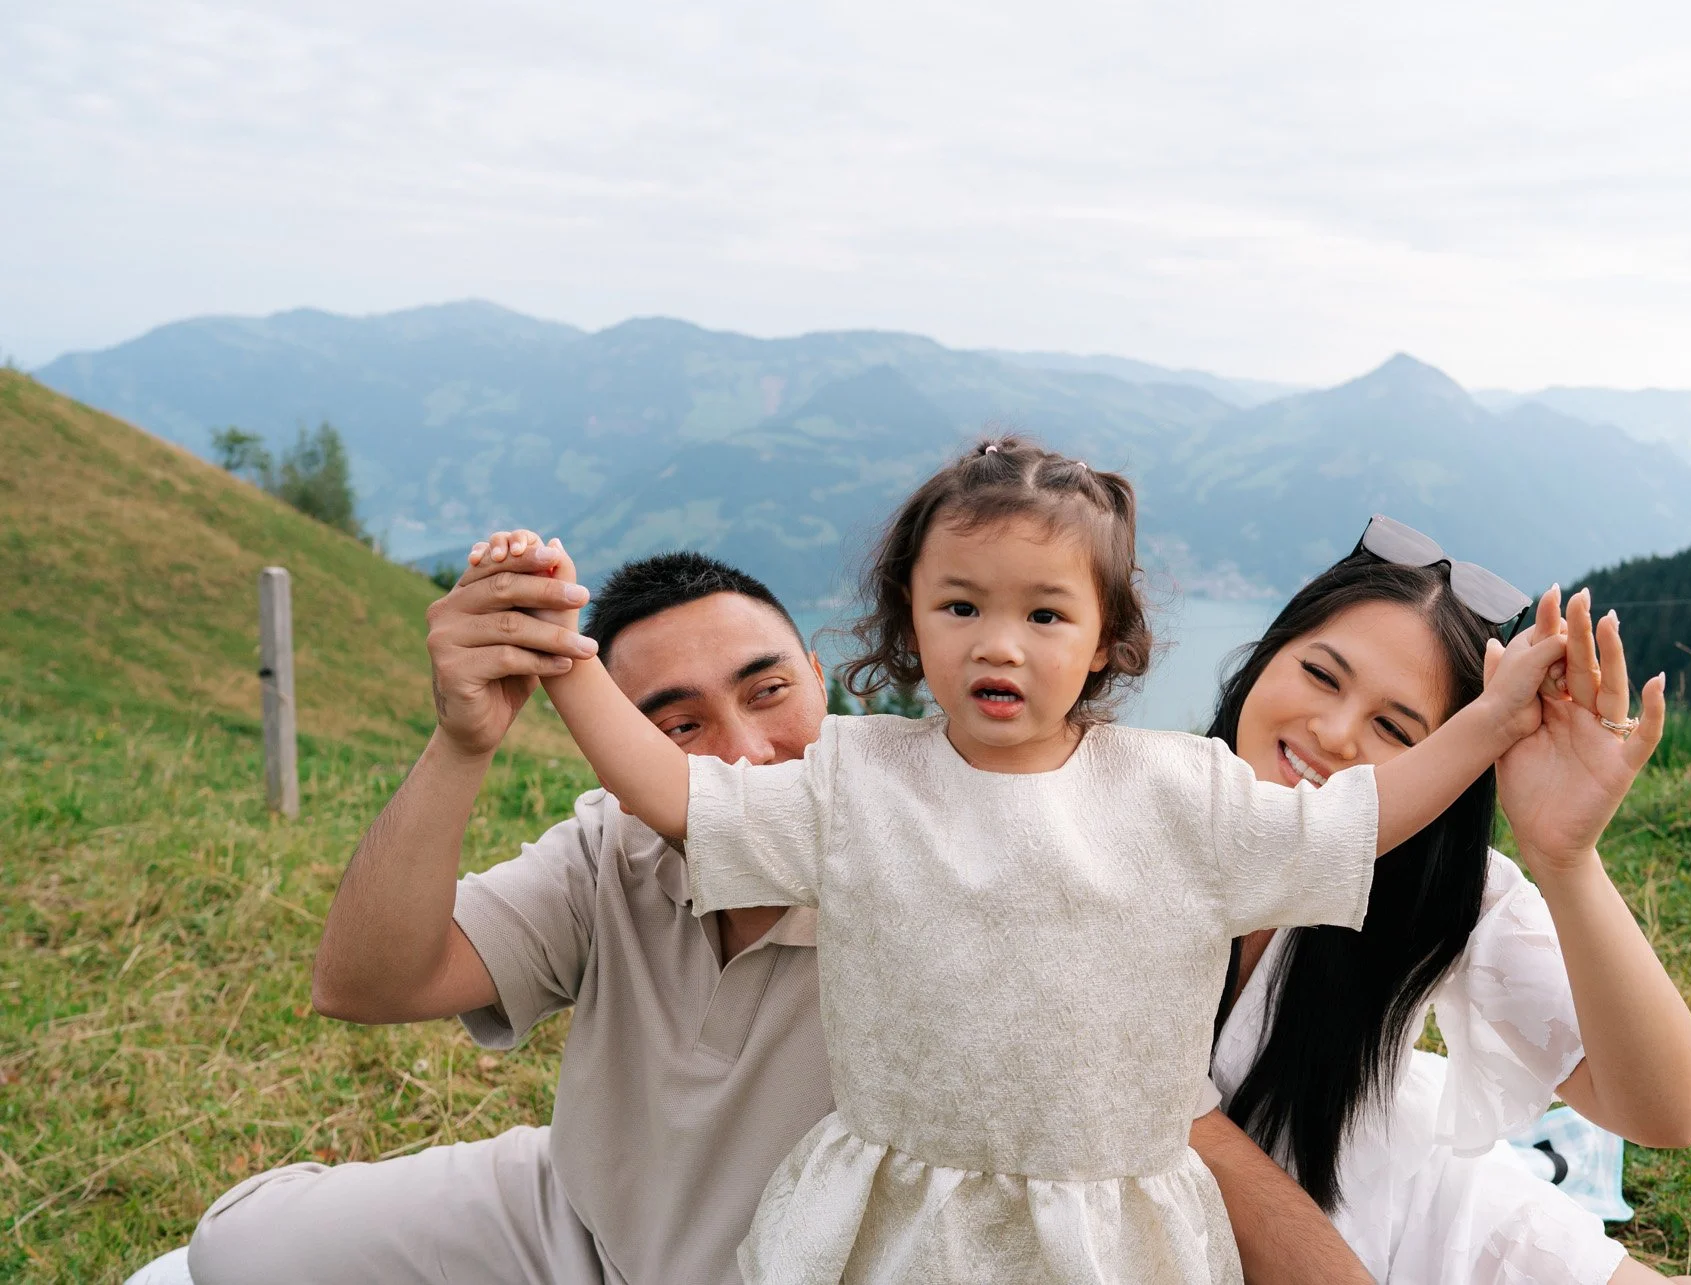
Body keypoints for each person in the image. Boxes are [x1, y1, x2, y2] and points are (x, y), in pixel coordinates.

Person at [495, 437, 1575, 1284]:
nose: (997, 643)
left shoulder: (1178, 794)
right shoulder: (850, 782)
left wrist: (1485, 726)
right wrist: (566, 662)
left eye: (1044, 613)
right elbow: (680, 797)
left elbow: (1353, 819)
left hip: (1110, 1228)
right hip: (892, 1214)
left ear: (1105, 638)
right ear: (907, 624)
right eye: (959, 606)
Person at [174, 541, 1378, 1285]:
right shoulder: (616, 846)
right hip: (573, 1210)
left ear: (831, 681)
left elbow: (1159, 1123)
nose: (744, 756)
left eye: (769, 692)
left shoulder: (972, 872)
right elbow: (367, 982)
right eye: (677, 723)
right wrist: (459, 742)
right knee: (238, 1252)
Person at [1204, 523, 1691, 1285]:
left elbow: (1664, 1112)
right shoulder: (1135, 810)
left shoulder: (1431, 885)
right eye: (1320, 673)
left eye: (1394, 726)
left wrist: (1566, 860)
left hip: (1390, 1203)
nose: (1336, 733)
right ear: (1267, 655)